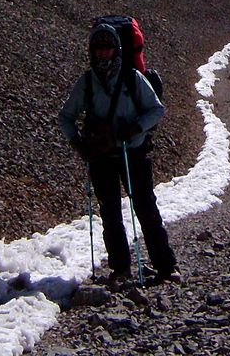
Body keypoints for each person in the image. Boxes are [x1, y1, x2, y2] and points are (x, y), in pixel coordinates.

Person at [59, 22, 179, 285]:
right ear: (92, 51)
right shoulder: (87, 82)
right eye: (99, 47)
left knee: (144, 209)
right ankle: (122, 268)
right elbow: (65, 117)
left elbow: (156, 109)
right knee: (111, 213)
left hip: (131, 152)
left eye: (108, 47)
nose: (103, 52)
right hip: (105, 155)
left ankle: (165, 266)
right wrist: (77, 143)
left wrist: (136, 128)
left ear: (116, 50)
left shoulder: (131, 78)